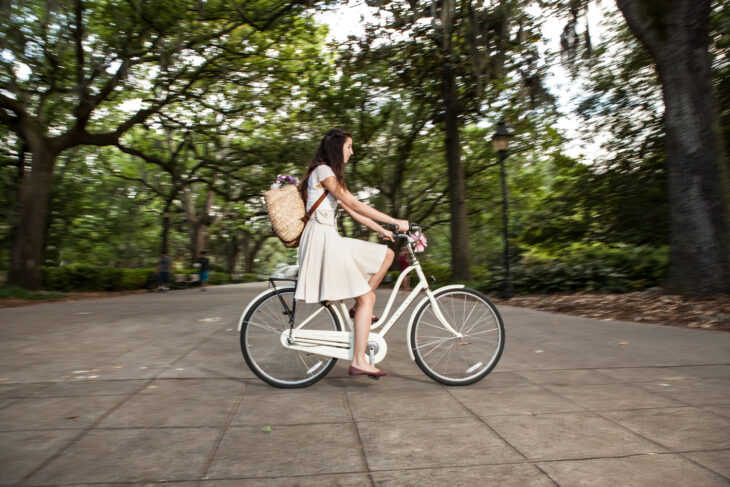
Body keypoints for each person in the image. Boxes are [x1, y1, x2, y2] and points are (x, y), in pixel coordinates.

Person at [295, 128, 409, 378]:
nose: (352, 152)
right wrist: (395, 220)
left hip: (329, 238)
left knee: (387, 255)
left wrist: (381, 229)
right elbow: (355, 202)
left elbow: (351, 209)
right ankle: (359, 360)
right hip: (322, 241)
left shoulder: (328, 174)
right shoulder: (324, 171)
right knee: (368, 298)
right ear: (337, 148)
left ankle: (359, 310)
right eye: (349, 147)